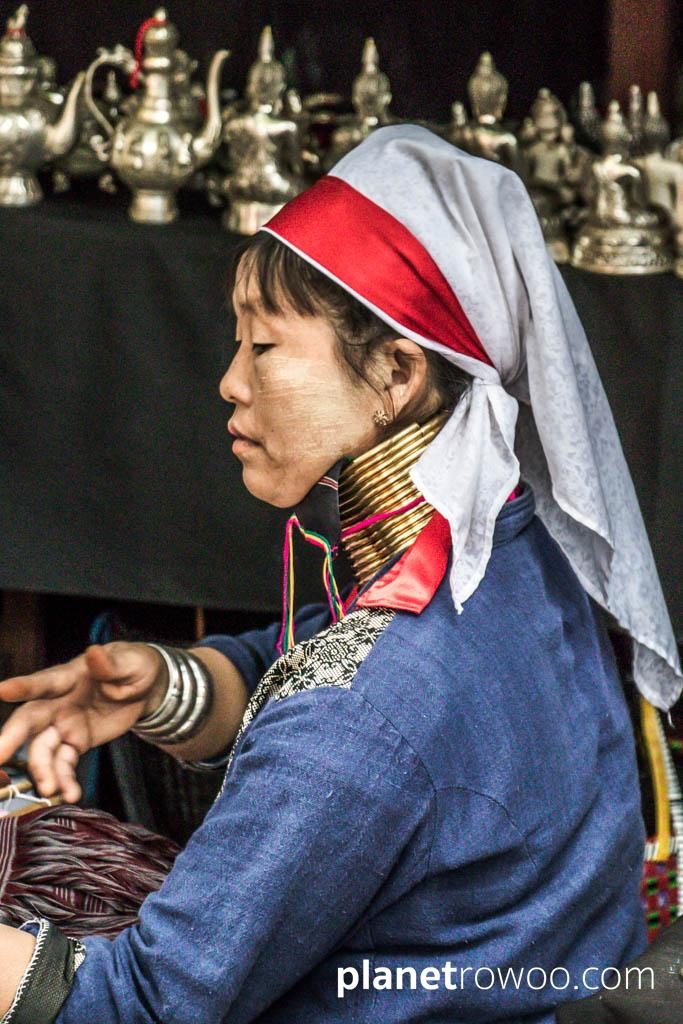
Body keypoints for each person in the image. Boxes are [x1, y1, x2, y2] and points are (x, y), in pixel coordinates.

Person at [0, 125, 680, 1024]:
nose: (228, 383)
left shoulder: (363, 712)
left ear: (395, 371)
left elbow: (141, 1008)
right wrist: (173, 687)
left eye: (265, 347)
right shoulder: (517, 552)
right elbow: (326, 655)